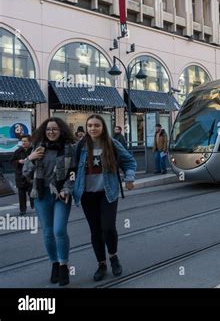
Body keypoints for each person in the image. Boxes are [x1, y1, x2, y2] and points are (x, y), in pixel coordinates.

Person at [74, 115, 136, 282]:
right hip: (87, 194)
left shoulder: (112, 143)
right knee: (95, 231)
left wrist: (129, 178)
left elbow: (129, 161)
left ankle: (113, 257)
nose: (93, 128)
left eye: (97, 125)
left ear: (103, 127)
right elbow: (71, 168)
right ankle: (101, 264)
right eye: (90, 125)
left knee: (108, 227)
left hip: (108, 192)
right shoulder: (80, 146)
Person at [22, 117, 76, 286]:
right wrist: (30, 158)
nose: (51, 132)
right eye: (48, 129)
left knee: (59, 230)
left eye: (55, 129)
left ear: (61, 131)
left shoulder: (69, 149)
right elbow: (26, 173)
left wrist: (66, 189)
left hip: (61, 194)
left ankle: (63, 265)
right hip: (41, 194)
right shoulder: (37, 148)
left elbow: (73, 173)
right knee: (48, 232)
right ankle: (54, 263)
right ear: (44, 131)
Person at [10, 134, 34, 215]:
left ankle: (34, 206)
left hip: (31, 176)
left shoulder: (33, 150)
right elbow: (11, 161)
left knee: (32, 192)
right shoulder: (18, 151)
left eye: (25, 141)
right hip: (20, 176)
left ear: (29, 142)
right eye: (22, 141)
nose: (23, 143)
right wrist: (18, 161)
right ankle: (23, 210)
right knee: (21, 194)